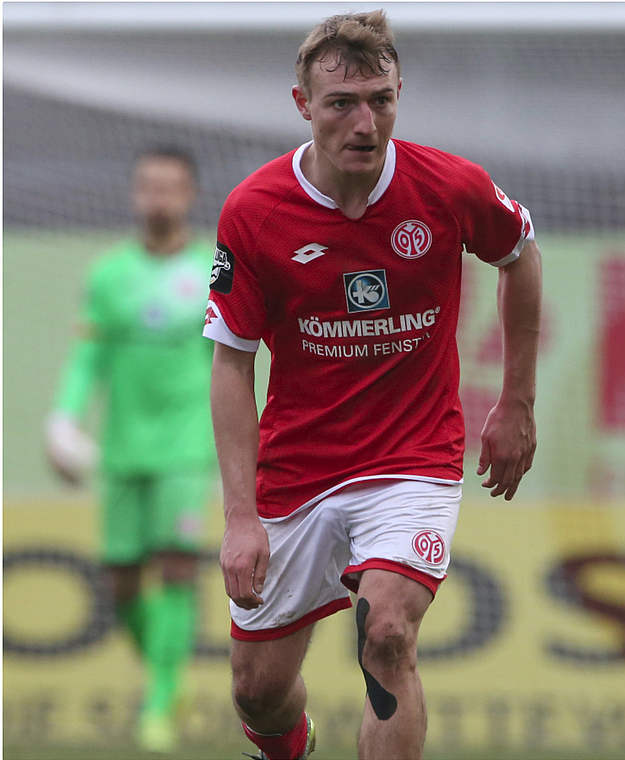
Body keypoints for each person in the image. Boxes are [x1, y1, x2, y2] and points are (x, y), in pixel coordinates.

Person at [202, 10, 541, 760]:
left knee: (387, 633)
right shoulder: (255, 211)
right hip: (297, 472)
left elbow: (519, 252)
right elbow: (231, 362)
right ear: (302, 106)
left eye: (381, 100)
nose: (365, 122)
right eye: (342, 104)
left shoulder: (448, 186)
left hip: (412, 458)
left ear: (398, 95)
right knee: (256, 689)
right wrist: (240, 517)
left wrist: (516, 400)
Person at [46, 146, 215, 753]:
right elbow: (89, 355)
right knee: (120, 585)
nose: (158, 197)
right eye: (148, 185)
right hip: (121, 450)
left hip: (186, 447)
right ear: (134, 193)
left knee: (175, 565)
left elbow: (230, 361)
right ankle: (168, 681)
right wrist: (63, 421)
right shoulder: (109, 274)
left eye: (170, 186)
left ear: (189, 194)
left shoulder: (213, 270)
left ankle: (157, 710)